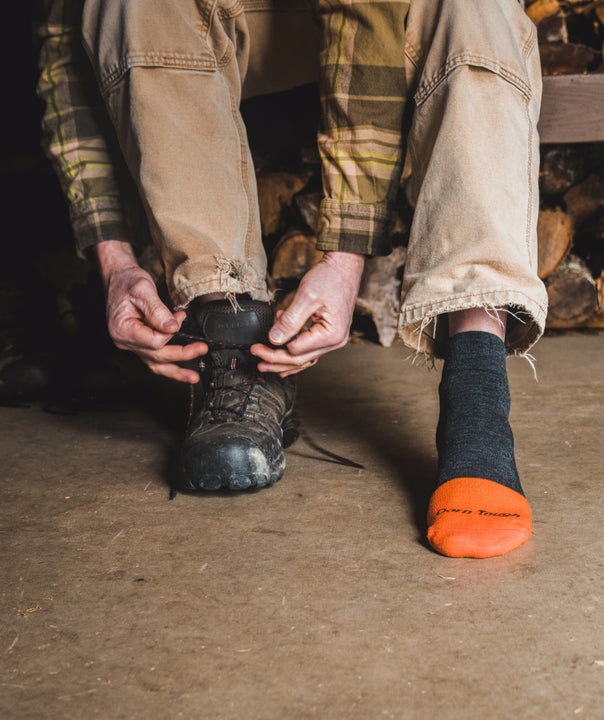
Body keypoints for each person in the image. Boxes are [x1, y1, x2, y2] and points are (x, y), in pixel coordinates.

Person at [37, 0, 548, 558]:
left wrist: (344, 256)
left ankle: (477, 383)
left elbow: (365, 10)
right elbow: (65, 45)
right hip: (234, 20)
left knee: (474, 5)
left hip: (395, 14)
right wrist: (115, 259)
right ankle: (232, 340)